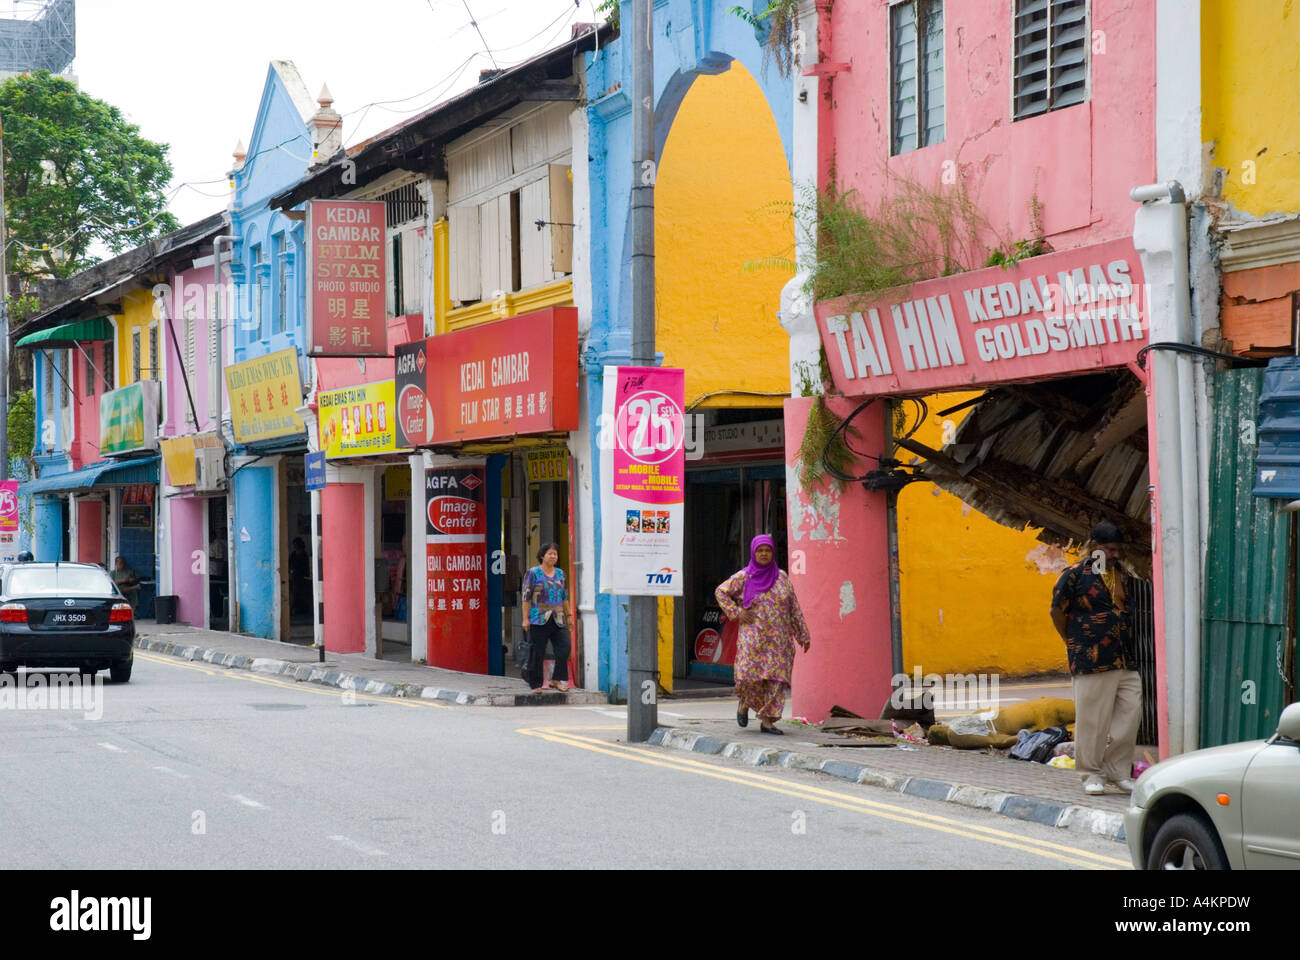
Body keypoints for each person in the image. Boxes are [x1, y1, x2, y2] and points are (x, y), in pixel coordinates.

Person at [1050, 520, 1143, 797]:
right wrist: (1072, 641)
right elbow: (1057, 611)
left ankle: (1117, 772)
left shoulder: (1122, 574)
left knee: (1130, 714)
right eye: (1109, 549)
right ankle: (1091, 774)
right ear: (1094, 547)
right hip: (1091, 658)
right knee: (1092, 721)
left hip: (1124, 657)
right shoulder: (1075, 574)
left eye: (1117, 550)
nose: (1114, 554)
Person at [715, 534, 811, 735]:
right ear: (753, 552)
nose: (764, 554)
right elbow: (721, 592)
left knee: (777, 680)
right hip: (754, 637)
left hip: (779, 639)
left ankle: (767, 721)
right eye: (760, 550)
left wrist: (802, 633)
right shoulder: (744, 576)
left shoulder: (782, 577)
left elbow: (793, 607)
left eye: (768, 550)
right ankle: (744, 703)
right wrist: (737, 612)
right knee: (747, 677)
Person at [522, 542, 573, 693]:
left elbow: (564, 596)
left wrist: (569, 615)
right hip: (538, 618)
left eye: (555, 554)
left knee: (564, 648)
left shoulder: (560, 574)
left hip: (558, 618)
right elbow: (526, 597)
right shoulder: (533, 573)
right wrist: (525, 618)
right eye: (550, 553)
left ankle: (556, 680)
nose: (553, 556)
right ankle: (536, 684)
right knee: (538, 652)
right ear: (542, 556)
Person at [289, 537, 311, 616]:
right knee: (294, 594)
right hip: (294, 578)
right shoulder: (293, 555)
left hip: (302, 578)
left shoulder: (304, 555)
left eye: (296, 544)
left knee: (301, 595)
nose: (295, 546)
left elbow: (305, 568)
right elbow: (289, 565)